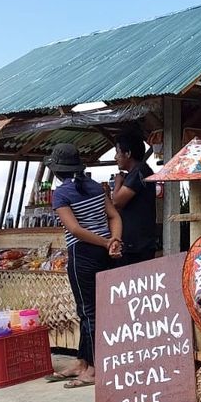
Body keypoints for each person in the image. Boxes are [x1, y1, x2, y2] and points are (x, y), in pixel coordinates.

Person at [48, 143, 122, 388]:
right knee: (91, 310)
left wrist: (104, 242)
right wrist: (113, 241)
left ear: (57, 171)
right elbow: (114, 216)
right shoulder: (96, 187)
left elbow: (75, 229)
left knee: (88, 311)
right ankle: (82, 362)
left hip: (83, 253)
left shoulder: (61, 194)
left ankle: (93, 368)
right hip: (103, 253)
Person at [109, 129, 158, 265]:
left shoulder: (139, 171)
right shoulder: (138, 171)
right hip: (138, 243)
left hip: (137, 246)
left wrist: (117, 182)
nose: (115, 157)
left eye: (118, 152)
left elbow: (117, 202)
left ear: (128, 153)